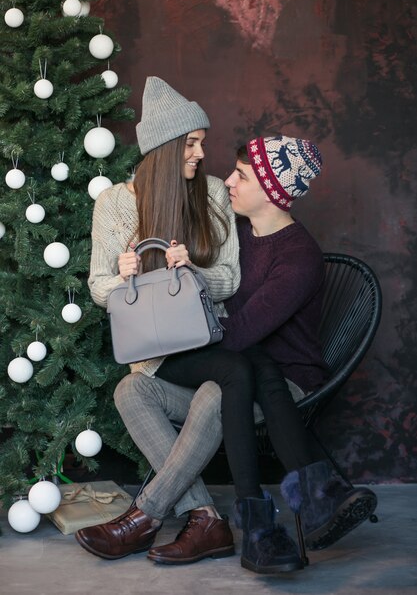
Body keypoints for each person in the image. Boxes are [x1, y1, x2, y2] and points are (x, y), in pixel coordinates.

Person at [150, 134, 378, 574]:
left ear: (273, 191)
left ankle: (258, 522)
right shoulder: (235, 236)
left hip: (282, 372)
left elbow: (241, 334)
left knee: (247, 362)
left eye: (242, 175)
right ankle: (313, 494)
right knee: (245, 363)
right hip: (231, 359)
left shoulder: (298, 255)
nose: (228, 182)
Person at [75, 76, 240, 562]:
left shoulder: (212, 194)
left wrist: (194, 272)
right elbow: (97, 287)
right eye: (191, 143)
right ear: (167, 148)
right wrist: (120, 278)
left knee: (215, 395)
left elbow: (231, 278)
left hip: (214, 358)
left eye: (201, 143)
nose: (200, 153)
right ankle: (207, 519)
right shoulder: (114, 204)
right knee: (129, 389)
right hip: (156, 363)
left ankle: (142, 517)